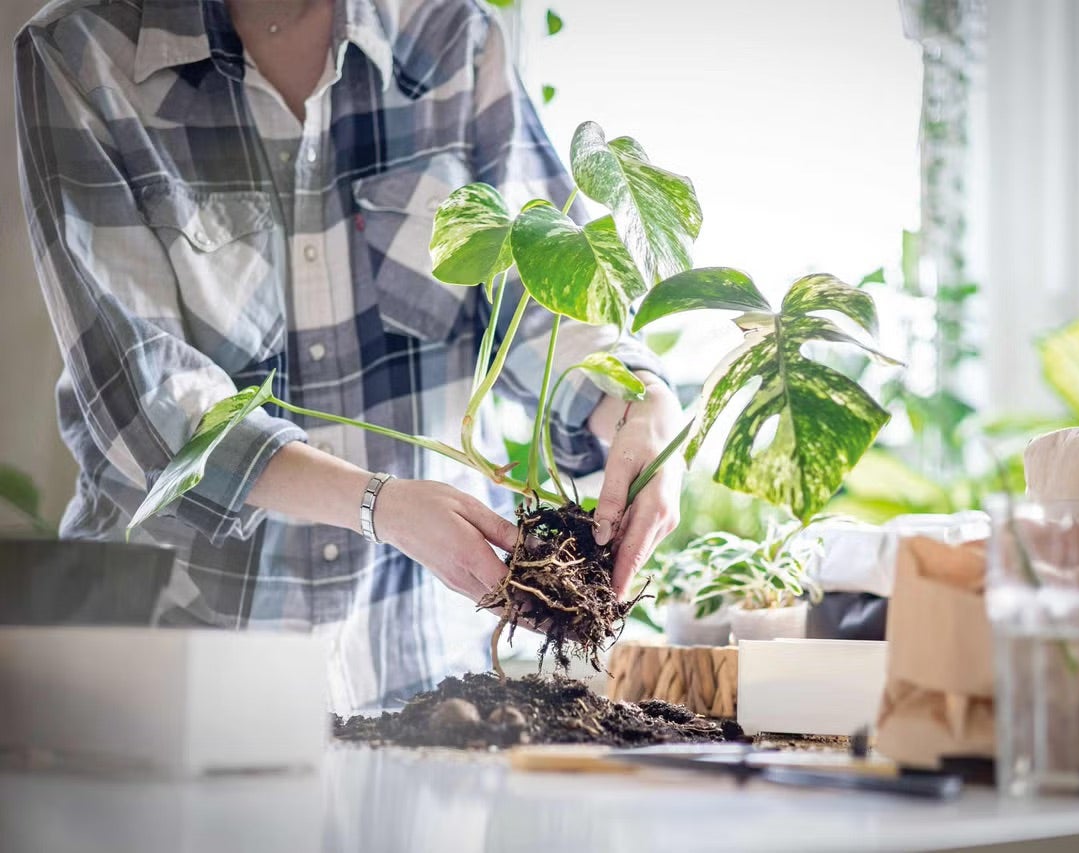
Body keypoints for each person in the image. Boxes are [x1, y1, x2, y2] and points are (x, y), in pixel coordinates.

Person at [16, 0, 683, 713]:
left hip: (426, 688)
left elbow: (547, 301)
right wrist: (379, 505)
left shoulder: (449, 37)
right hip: (175, 684)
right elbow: (143, 402)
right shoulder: (82, 52)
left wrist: (640, 406)